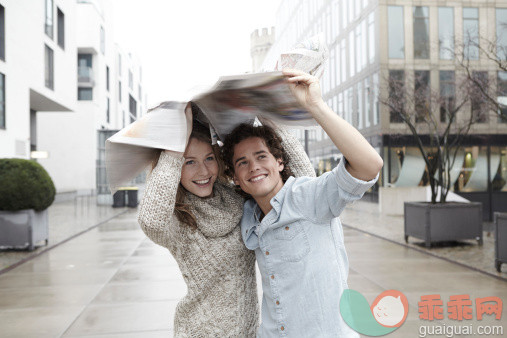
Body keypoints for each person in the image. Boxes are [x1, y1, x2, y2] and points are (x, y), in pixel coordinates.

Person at [221, 69, 384, 337]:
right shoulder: (248, 220)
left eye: (262, 156)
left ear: (280, 162)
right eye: (242, 162)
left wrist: (314, 105)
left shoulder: (309, 197)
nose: (254, 167)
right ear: (236, 178)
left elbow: (370, 166)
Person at [137, 101, 314, 337]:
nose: (203, 171)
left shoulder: (238, 201)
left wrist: (267, 117)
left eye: (209, 158)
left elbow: (306, 185)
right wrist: (173, 149)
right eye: (189, 162)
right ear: (175, 168)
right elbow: (150, 221)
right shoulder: (179, 219)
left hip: (249, 330)